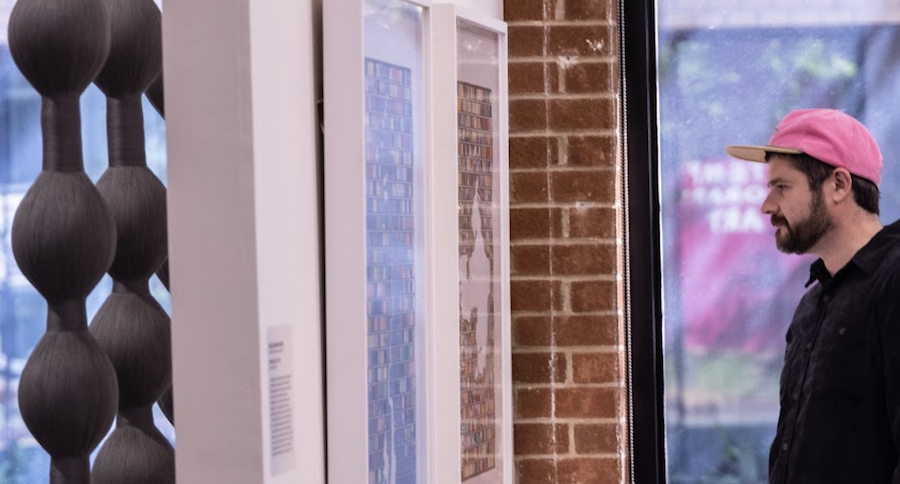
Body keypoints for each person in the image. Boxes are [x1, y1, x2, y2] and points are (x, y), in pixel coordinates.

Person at [726, 108, 900, 484]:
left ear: (839, 185)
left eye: (782, 187)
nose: (767, 206)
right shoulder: (812, 304)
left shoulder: (894, 280)